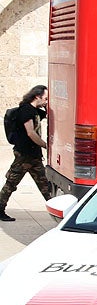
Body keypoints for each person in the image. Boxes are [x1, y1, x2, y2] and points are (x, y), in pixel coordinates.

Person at [0, 85, 51, 221]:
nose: (47, 101)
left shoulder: (35, 111)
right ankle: (0, 209)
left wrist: (47, 106)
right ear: (37, 96)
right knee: (11, 183)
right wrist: (46, 146)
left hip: (33, 156)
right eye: (45, 98)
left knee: (45, 185)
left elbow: (48, 113)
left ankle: (60, 211)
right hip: (24, 155)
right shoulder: (26, 111)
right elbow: (30, 132)